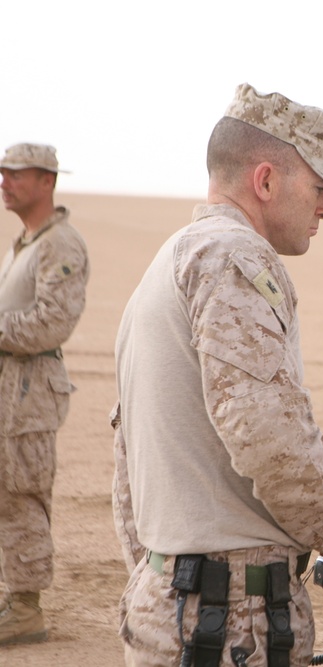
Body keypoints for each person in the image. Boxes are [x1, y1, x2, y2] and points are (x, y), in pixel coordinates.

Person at [111, 83, 323, 667]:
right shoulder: (236, 257)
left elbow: (126, 458)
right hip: (230, 616)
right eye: (319, 188)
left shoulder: (172, 258)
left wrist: (158, 571)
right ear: (265, 181)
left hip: (179, 599)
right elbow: (264, 427)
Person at [0, 143, 88, 645]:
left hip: (29, 393)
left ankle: (26, 607)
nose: (5, 183)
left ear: (46, 181)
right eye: (3, 173)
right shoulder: (26, 243)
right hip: (11, 386)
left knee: (21, 494)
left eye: (16, 175)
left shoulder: (61, 244)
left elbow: (53, 323)